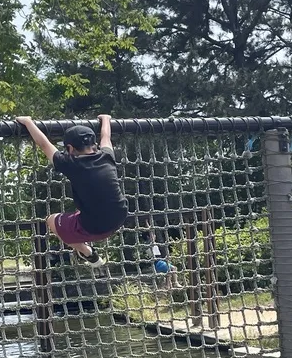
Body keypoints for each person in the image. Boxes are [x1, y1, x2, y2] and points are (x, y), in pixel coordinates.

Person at [16, 115, 128, 268]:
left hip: (95, 226)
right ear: (94, 145)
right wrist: (106, 119)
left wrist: (28, 122)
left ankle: (87, 252)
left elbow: (43, 144)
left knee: (51, 220)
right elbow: (106, 137)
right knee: (86, 208)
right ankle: (86, 248)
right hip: (119, 218)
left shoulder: (70, 163)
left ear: (70, 149)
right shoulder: (107, 156)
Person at [147, 224, 180, 289]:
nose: (154, 236)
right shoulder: (150, 244)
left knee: (170, 271)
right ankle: (175, 283)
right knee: (173, 269)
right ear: (149, 237)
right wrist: (147, 223)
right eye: (152, 236)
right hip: (158, 263)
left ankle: (168, 285)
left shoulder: (151, 244)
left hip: (158, 263)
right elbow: (150, 231)